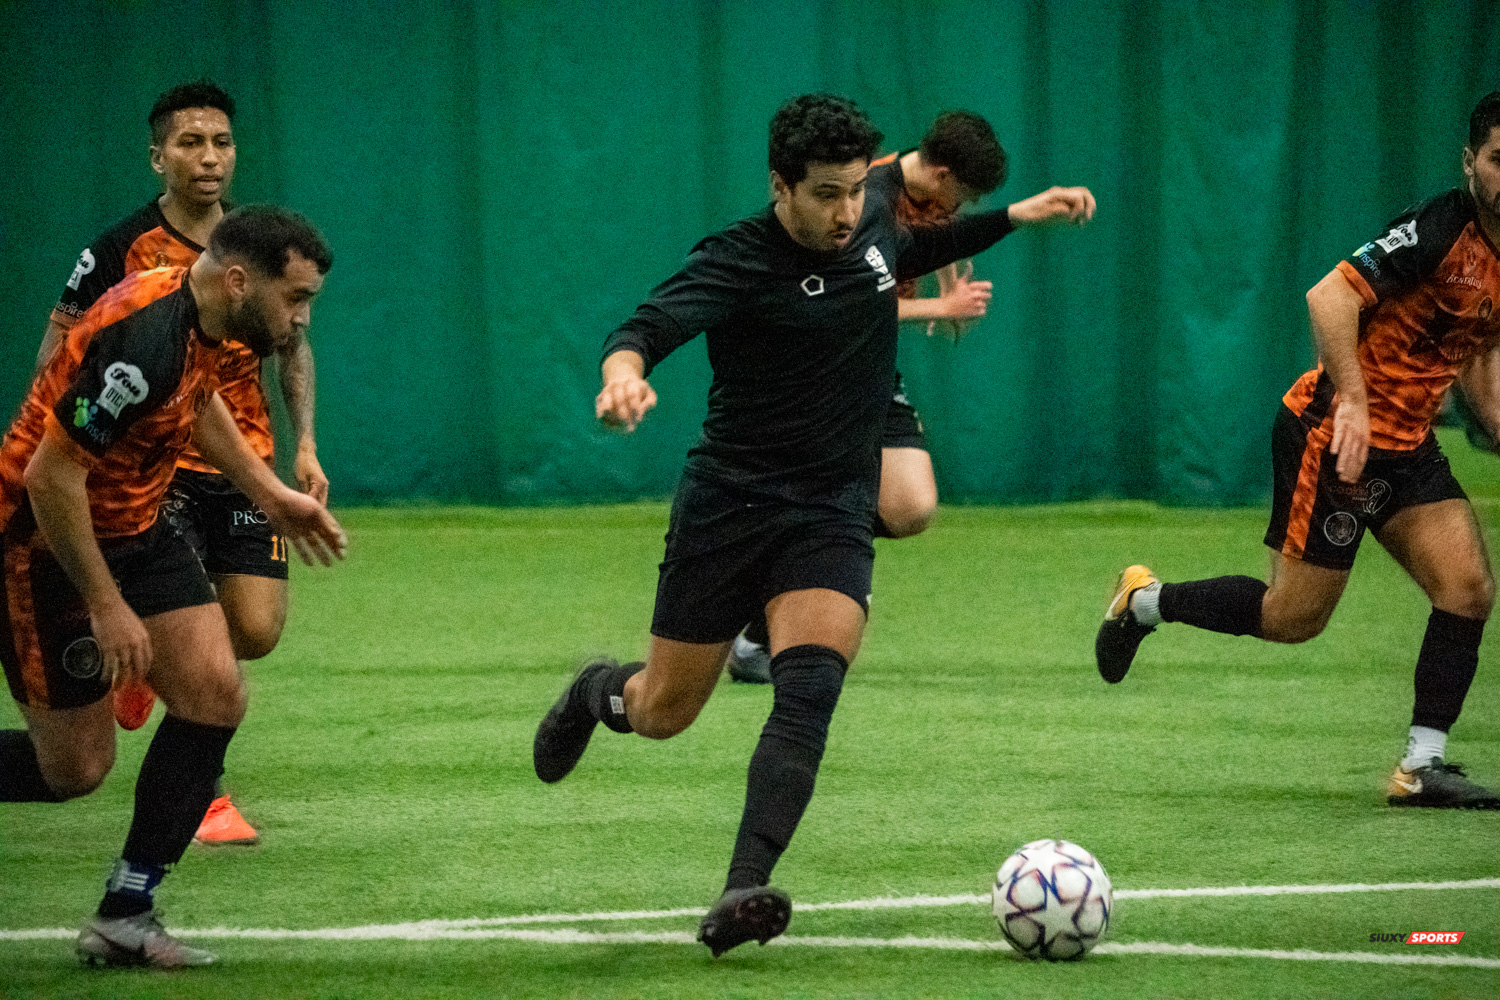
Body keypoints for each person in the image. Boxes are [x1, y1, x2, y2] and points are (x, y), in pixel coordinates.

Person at [532, 94, 1095, 957]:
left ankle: (741, 888)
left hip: (830, 508)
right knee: (662, 712)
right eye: (826, 194)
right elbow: (643, 328)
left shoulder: (869, 221)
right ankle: (594, 691)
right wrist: (622, 378)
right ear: (780, 186)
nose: (846, 212)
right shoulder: (736, 258)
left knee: (808, 695)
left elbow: (918, 246)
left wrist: (1016, 217)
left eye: (855, 191)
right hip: (729, 506)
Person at [1096, 91, 1500, 810]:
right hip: (1331, 434)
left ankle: (1422, 767)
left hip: (1408, 448)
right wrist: (1354, 403)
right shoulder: (1441, 229)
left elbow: (1471, 343)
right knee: (1293, 618)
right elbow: (1328, 298)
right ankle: (1145, 601)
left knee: (1467, 589)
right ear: (1470, 162)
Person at [0, 205, 345, 968]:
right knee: (75, 771)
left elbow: (200, 400)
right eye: (294, 299)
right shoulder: (145, 340)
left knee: (215, 695)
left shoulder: (200, 315)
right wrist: (106, 603)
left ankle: (126, 914)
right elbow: (49, 478)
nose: (300, 320)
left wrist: (269, 495)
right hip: (43, 541)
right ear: (239, 280)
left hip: (135, 526)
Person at [39, 79, 327, 844]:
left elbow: (287, 351)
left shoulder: (258, 246)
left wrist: (300, 448)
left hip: (240, 460)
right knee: (193, 648)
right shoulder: (121, 253)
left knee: (256, 629)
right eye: (191, 142)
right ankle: (203, 797)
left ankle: (152, 667)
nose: (209, 157)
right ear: (157, 156)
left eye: (222, 142)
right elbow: (58, 357)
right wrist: (75, 436)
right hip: (153, 472)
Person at [727, 110, 1059, 682]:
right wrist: (943, 306)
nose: (961, 209)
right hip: (817, 376)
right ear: (943, 174)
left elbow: (936, 240)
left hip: (872, 372)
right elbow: (851, 299)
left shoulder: (922, 191)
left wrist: (952, 276)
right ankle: (779, 608)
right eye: (963, 196)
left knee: (911, 507)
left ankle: (774, 603)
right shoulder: (870, 199)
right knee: (829, 509)